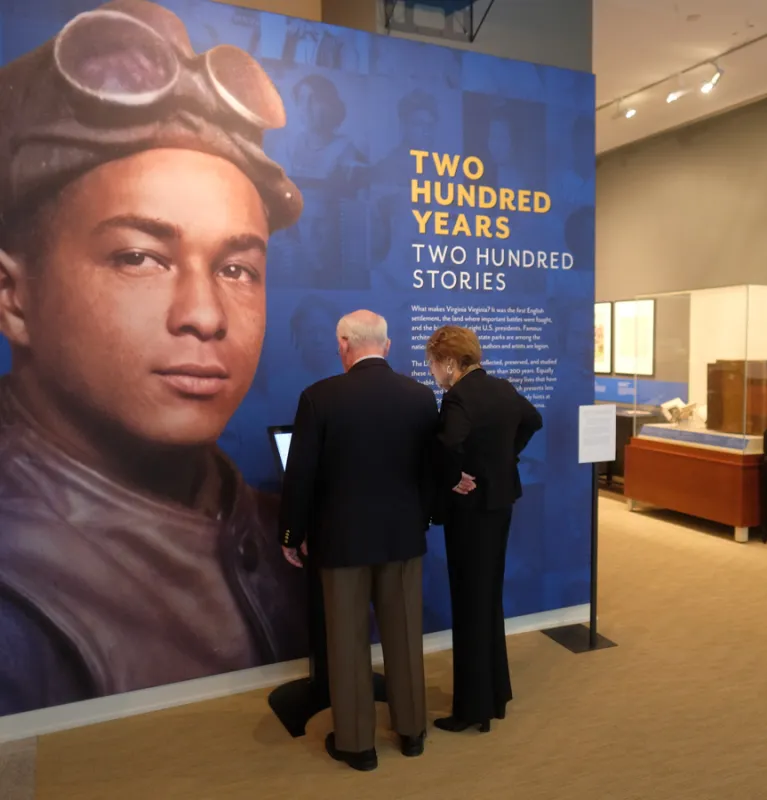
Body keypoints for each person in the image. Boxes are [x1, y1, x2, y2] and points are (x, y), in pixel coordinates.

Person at [0, 0, 307, 717]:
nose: (204, 314)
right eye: (139, 257)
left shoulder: (282, 534)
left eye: (237, 269)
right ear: (14, 298)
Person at [279, 310, 438, 771]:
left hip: (341, 541)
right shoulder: (420, 396)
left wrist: (291, 534)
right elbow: (431, 471)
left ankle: (356, 745)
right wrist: (421, 518)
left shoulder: (319, 397)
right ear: (386, 346)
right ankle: (412, 732)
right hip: (403, 538)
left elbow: (300, 477)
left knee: (347, 643)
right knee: (405, 637)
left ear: (344, 344)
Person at [426, 325, 543, 733]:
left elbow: (446, 444)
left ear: (449, 362)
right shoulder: (502, 388)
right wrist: (504, 457)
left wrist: (453, 476)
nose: (433, 372)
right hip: (499, 507)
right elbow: (533, 420)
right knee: (488, 599)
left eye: (433, 363)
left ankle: (472, 708)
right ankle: (495, 694)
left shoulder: (457, 397)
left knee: (469, 605)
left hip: (470, 513)